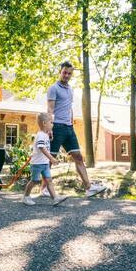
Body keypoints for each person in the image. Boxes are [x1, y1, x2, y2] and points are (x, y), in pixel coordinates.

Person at [40, 61, 107, 198]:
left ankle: (88, 188)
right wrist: (49, 127)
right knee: (50, 159)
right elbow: (50, 109)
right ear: (60, 71)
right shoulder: (53, 88)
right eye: (65, 72)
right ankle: (43, 189)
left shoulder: (70, 89)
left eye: (69, 73)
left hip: (69, 128)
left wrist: (71, 122)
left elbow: (68, 108)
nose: (67, 75)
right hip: (56, 127)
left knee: (78, 156)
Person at [22, 112, 68, 206]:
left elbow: (47, 142)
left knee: (49, 180)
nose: (52, 124)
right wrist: (52, 158)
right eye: (51, 122)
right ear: (44, 123)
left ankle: (55, 198)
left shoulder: (45, 135)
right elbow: (42, 148)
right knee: (34, 180)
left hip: (45, 163)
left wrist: (50, 136)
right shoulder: (40, 135)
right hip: (37, 164)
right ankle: (26, 197)